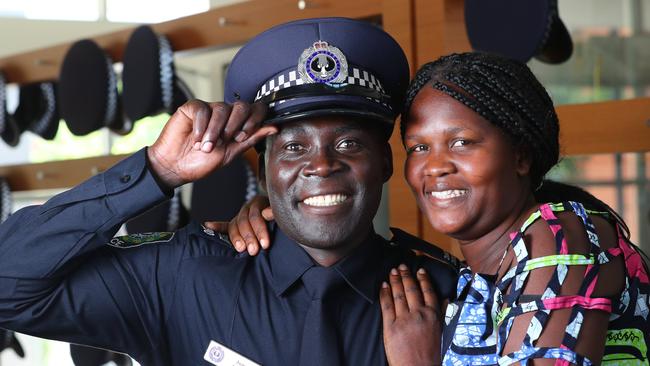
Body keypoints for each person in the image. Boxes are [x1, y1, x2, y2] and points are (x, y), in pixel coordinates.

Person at [0, 18, 458, 366]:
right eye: (294, 146)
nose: (321, 164)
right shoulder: (181, 276)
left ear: (384, 163)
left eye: (348, 144)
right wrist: (157, 171)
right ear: (266, 167)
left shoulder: (446, 297)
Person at [225, 51, 650, 365]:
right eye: (419, 148)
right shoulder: (471, 278)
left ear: (520, 156)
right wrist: (280, 212)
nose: (436, 167)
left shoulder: (557, 237)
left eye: (462, 142)